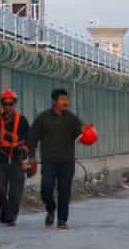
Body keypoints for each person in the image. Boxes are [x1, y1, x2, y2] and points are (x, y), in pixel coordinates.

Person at [28, 88, 89, 229]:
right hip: (49, 161)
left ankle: (62, 221)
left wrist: (86, 131)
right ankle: (50, 209)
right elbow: (32, 137)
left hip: (67, 162)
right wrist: (31, 155)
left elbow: (82, 133)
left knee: (64, 190)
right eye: (62, 99)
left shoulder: (72, 118)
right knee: (46, 188)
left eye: (66, 100)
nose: (65, 102)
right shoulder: (43, 118)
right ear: (54, 101)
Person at [0, 88, 29, 226]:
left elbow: (28, 139)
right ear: (2, 104)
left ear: (14, 104)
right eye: (5, 104)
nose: (7, 106)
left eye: (10, 103)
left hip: (16, 159)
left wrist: (26, 153)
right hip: (0, 159)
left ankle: (11, 216)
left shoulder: (22, 121)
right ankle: (5, 210)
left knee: (15, 190)